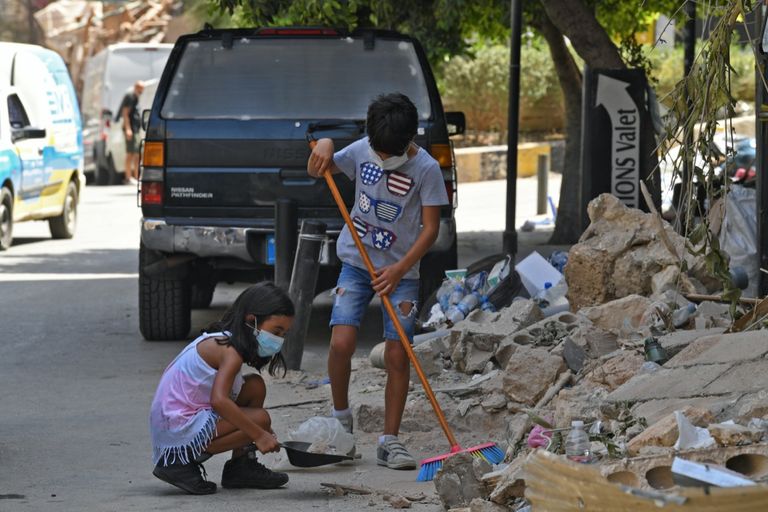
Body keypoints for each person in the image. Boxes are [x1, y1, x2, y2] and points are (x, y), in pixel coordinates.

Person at [306, 92, 449, 470]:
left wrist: (400, 268)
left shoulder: (427, 169)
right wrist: (325, 143)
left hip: (402, 273)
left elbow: (431, 229)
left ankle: (390, 441)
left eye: (391, 154)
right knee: (341, 342)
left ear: (409, 139)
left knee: (398, 353)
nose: (383, 160)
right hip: (356, 264)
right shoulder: (361, 150)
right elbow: (318, 169)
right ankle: (341, 422)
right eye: (379, 152)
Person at [149, 282, 294, 495]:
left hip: (182, 418)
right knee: (260, 419)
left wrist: (255, 433)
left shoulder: (225, 341)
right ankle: (179, 464)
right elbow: (219, 401)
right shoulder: (229, 351)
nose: (279, 340)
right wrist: (259, 434)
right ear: (251, 321)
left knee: (254, 386)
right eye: (276, 331)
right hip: (177, 427)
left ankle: (241, 466)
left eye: (283, 334)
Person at [119, 80, 144, 184]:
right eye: (140, 88)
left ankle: (136, 177)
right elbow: (125, 113)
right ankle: (128, 177)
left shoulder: (136, 98)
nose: (142, 90)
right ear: (136, 87)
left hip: (136, 129)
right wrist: (128, 129)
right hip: (130, 129)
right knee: (130, 153)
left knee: (137, 153)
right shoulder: (130, 97)